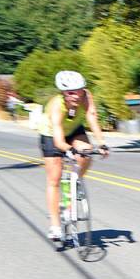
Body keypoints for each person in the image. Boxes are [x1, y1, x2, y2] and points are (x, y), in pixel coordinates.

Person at [39, 71, 109, 243]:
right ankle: (55, 226)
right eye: (70, 92)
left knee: (86, 151)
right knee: (54, 178)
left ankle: (75, 181)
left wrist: (101, 142)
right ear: (63, 93)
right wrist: (68, 150)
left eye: (78, 90)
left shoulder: (86, 96)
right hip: (52, 134)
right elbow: (59, 140)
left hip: (74, 129)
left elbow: (91, 116)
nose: (76, 95)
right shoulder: (57, 106)